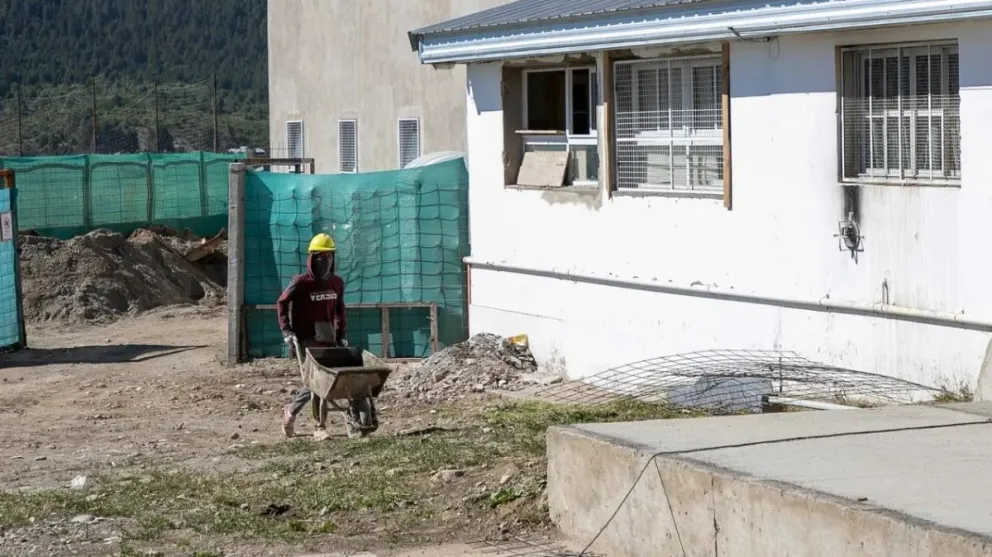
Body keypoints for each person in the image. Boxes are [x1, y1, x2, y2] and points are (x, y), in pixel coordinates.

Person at [276, 233, 347, 437]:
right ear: (311, 258)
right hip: (305, 336)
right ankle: (320, 427)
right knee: (318, 380)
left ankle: (291, 410)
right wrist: (286, 330)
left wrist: (342, 333)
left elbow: (340, 309)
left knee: (322, 380)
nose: (324, 262)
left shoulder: (336, 283)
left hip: (327, 334)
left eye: (328, 257)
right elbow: (281, 302)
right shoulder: (300, 283)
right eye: (319, 257)